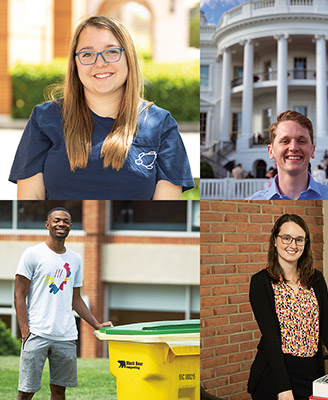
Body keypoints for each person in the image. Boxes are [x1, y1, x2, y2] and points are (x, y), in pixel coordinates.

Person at [9, 16, 193, 200]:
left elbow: (164, 211)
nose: (100, 63)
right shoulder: (44, 119)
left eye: (111, 52)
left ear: (128, 57)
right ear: (75, 64)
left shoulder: (161, 125)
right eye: (87, 54)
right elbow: (30, 202)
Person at [14, 207, 113, 400]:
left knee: (59, 392)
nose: (61, 224)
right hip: (37, 333)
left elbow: (76, 299)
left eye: (66, 221)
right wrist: (25, 331)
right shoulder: (33, 254)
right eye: (57, 220)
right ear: (48, 224)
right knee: (26, 392)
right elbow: (19, 294)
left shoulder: (75, 259)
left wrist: (97, 324)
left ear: (70, 226)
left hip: (66, 336)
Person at [248, 214, 328, 400]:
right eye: (286, 238)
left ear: (305, 243)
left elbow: (327, 324)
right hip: (275, 375)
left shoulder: (316, 279)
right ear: (275, 241)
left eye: (299, 239)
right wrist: (283, 387)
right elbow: (271, 338)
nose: (292, 245)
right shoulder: (260, 283)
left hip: (311, 372)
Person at [246, 111, 328, 199]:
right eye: (285, 141)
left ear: (312, 150)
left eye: (301, 141)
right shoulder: (249, 205)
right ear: (271, 151)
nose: (293, 148)